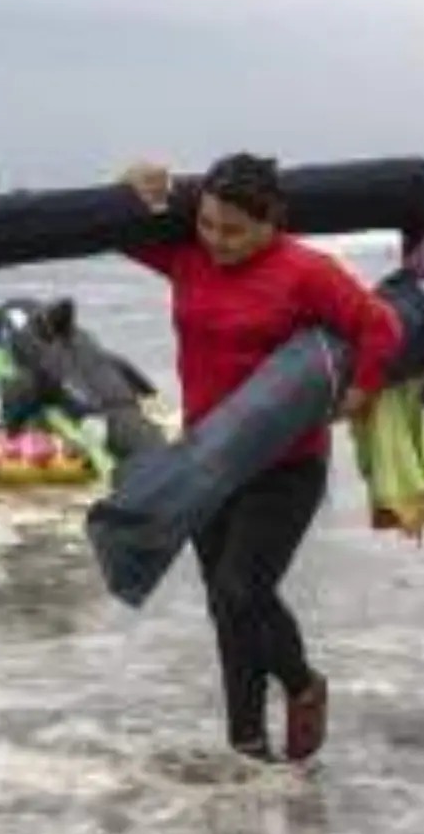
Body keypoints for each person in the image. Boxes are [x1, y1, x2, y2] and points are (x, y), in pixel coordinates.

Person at [120, 152, 400, 763]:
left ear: (272, 221)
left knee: (241, 589)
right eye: (209, 225)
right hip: (207, 460)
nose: (217, 241)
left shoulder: (306, 271)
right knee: (225, 605)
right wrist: (132, 188)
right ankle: (246, 742)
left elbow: (379, 326)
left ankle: (302, 684)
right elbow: (122, 230)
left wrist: (360, 390)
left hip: (285, 465)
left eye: (234, 231)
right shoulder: (187, 255)